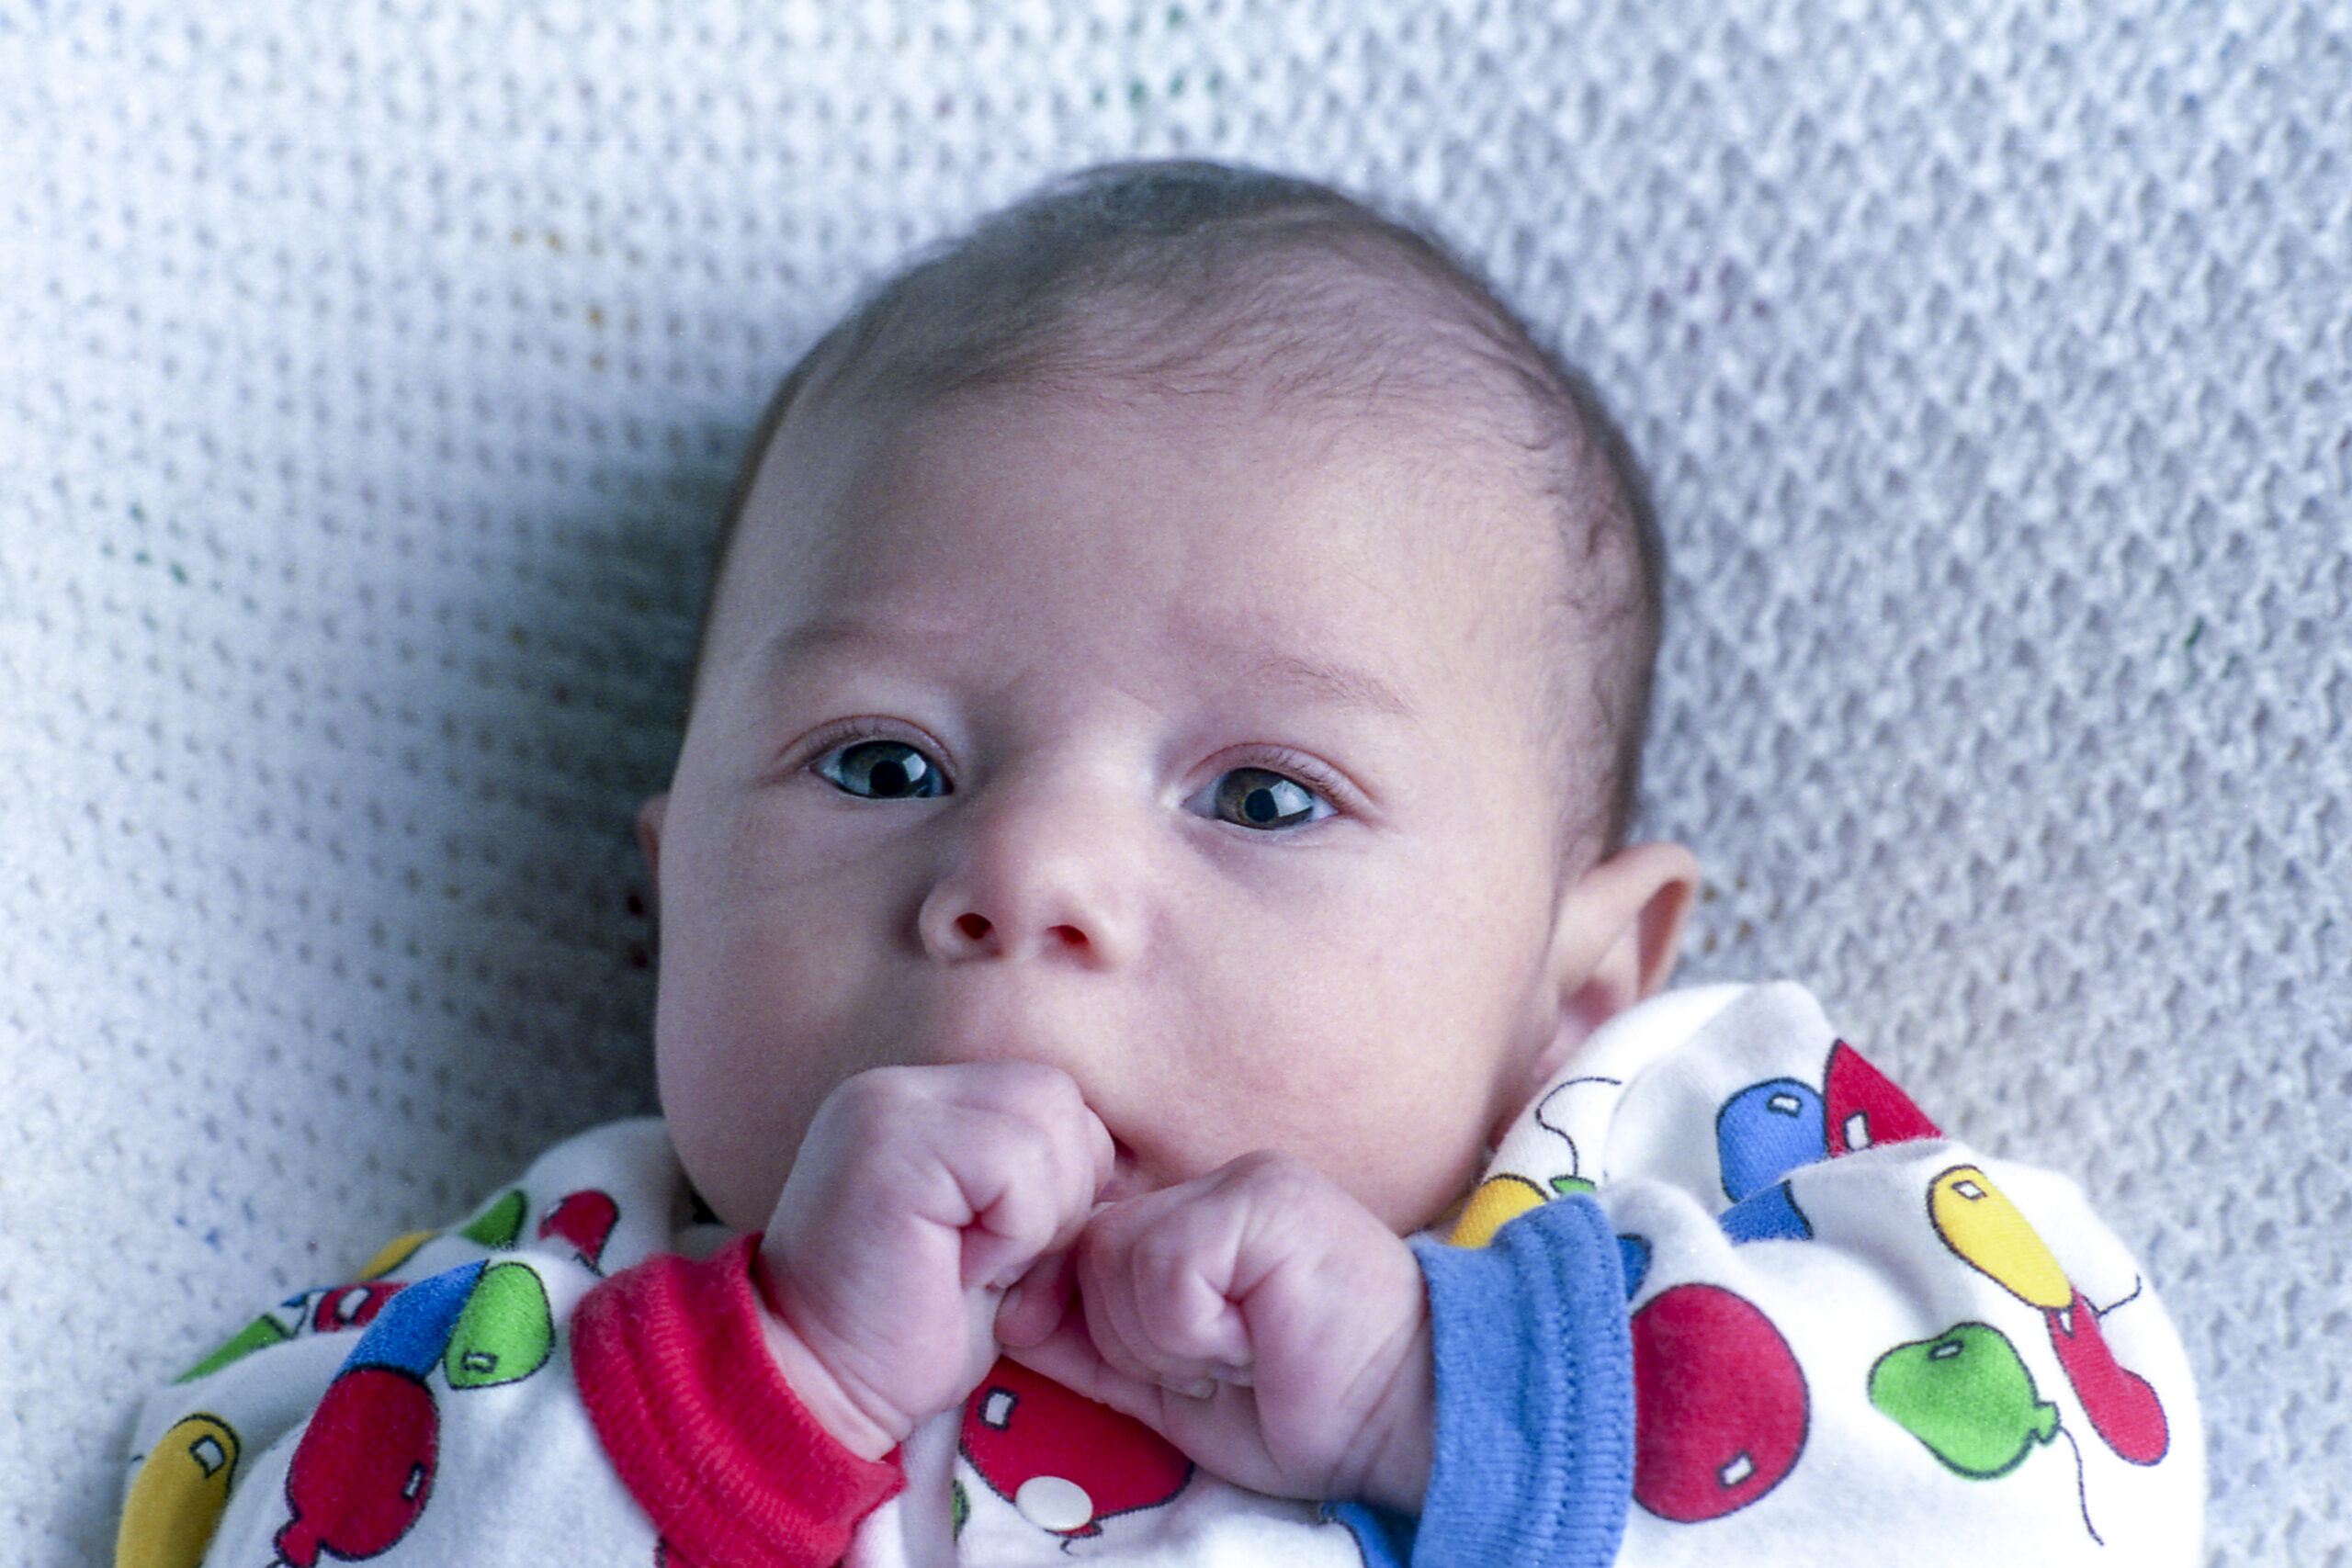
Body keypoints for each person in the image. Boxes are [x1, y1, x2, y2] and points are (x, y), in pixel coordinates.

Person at [117, 161, 2201, 1568]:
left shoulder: (1657, 1188)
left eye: (1263, 795)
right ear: (668, 887)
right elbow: (220, 1512)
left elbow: (2078, 1475)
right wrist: (767, 1394)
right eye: (876, 759)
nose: (1024, 871)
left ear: (1582, 967)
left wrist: (1438, 1393)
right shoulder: (574, 1298)